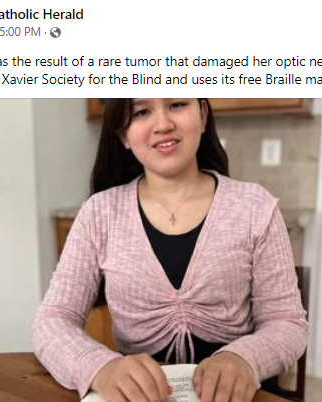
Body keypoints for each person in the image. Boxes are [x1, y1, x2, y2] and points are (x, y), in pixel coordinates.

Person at [32, 98, 308, 402]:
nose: (163, 124)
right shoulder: (99, 213)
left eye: (177, 104)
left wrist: (245, 359)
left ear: (202, 116)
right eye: (141, 112)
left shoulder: (256, 208)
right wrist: (102, 367)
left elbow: (288, 323)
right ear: (123, 134)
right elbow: (52, 320)